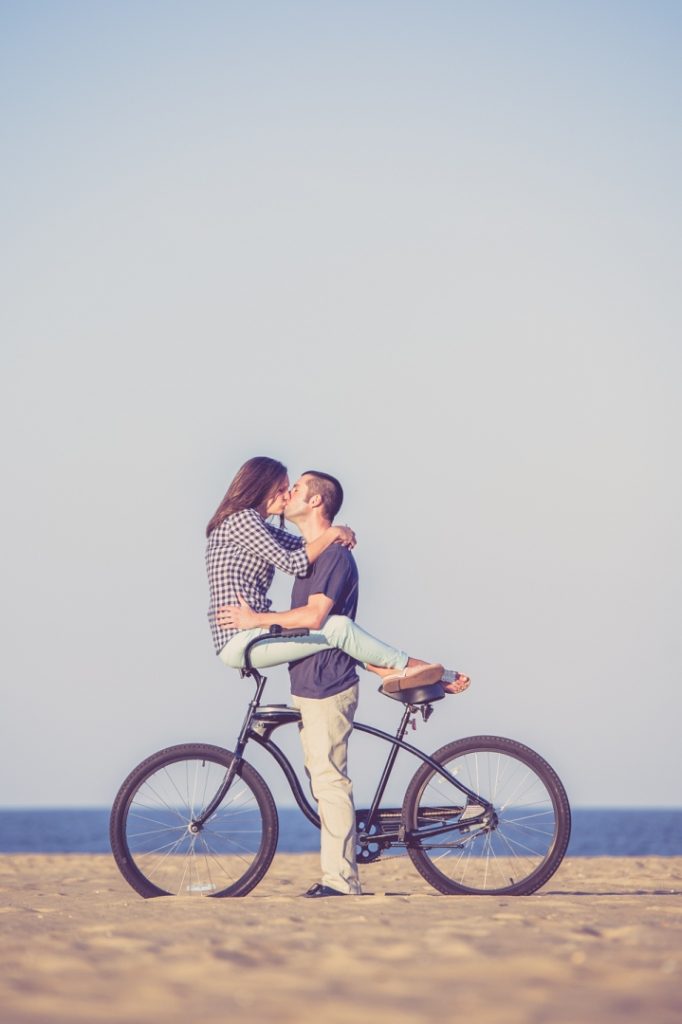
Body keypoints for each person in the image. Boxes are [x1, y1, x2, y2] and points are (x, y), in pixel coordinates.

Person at [207, 457, 470, 694]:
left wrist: (337, 532)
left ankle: (391, 672)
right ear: (260, 486)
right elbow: (293, 562)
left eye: (290, 489)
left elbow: (306, 544)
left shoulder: (256, 526)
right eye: (281, 489)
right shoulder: (243, 520)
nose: (286, 496)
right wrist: (334, 534)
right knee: (337, 628)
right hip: (241, 635)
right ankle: (416, 668)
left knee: (332, 635)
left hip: (255, 630)